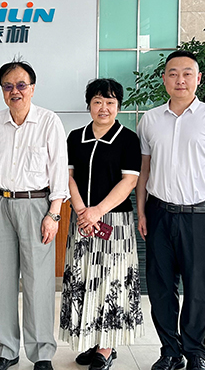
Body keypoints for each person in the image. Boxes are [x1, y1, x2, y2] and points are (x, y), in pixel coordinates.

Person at [136, 51, 205, 370]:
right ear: (164, 79)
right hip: (158, 213)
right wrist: (141, 212)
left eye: (187, 73)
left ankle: (195, 352)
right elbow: (144, 170)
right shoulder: (150, 119)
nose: (180, 80)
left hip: (199, 215)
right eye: (173, 73)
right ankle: (170, 351)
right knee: (160, 287)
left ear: (198, 78)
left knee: (197, 289)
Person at [0, 58, 69, 370]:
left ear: (32, 88)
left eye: (21, 85)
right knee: (1, 280)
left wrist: (54, 214)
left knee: (38, 282)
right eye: (8, 86)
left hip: (37, 206)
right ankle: (5, 350)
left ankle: (42, 352)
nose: (15, 91)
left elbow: (59, 171)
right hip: (1, 204)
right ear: (2, 90)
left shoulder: (48, 121)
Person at [59, 78, 143, 370]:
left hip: (114, 223)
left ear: (118, 106)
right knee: (84, 278)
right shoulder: (75, 137)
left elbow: (129, 181)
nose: (103, 108)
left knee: (110, 281)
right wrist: (82, 210)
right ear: (89, 105)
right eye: (97, 101)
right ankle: (92, 340)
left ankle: (106, 347)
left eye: (110, 102)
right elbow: (67, 176)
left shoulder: (128, 139)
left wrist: (98, 211)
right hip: (82, 220)